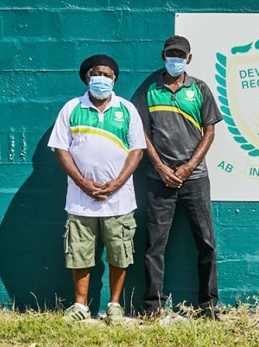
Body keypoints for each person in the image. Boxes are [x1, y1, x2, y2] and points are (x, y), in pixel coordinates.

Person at [48, 54, 146, 323]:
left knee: (119, 252)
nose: (101, 79)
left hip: (120, 200)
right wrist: (82, 182)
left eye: (107, 75)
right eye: (96, 74)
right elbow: (61, 149)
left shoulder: (127, 109)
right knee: (79, 253)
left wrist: (118, 182)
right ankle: (80, 306)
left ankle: (114, 305)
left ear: (114, 80)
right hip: (80, 200)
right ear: (87, 77)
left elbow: (137, 150)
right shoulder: (72, 108)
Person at [139, 35, 222, 319]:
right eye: (170, 54)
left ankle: (208, 306)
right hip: (159, 180)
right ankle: (153, 307)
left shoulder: (200, 88)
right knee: (154, 245)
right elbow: (143, 133)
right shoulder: (150, 90)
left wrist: (188, 167)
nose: (175, 60)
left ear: (189, 59)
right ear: (163, 56)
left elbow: (210, 131)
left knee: (206, 243)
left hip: (195, 178)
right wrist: (161, 168)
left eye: (180, 55)